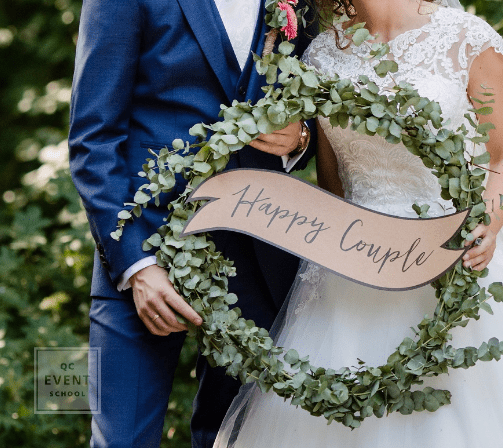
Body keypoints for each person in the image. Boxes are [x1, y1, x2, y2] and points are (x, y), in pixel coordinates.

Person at [213, 1, 503, 447]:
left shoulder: (469, 40)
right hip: (353, 277)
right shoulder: (322, 55)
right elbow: (335, 184)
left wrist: (488, 222)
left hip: (453, 259)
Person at [68, 0, 317, 446]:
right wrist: (137, 267)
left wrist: (301, 137)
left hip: (258, 252)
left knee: (236, 439)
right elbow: (93, 141)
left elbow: (316, 101)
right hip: (146, 255)